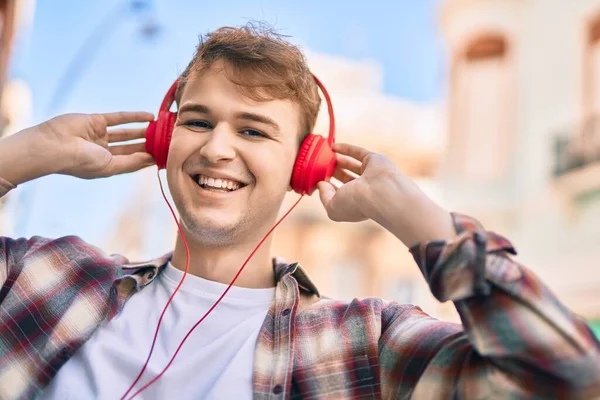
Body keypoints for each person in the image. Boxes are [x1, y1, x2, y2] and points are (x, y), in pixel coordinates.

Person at [0, 25, 599, 400]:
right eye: (198, 121)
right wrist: (20, 156)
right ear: (163, 140)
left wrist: (421, 220)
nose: (216, 147)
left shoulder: (365, 344)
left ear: (304, 167)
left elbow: (566, 377)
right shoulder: (49, 277)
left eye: (254, 130)